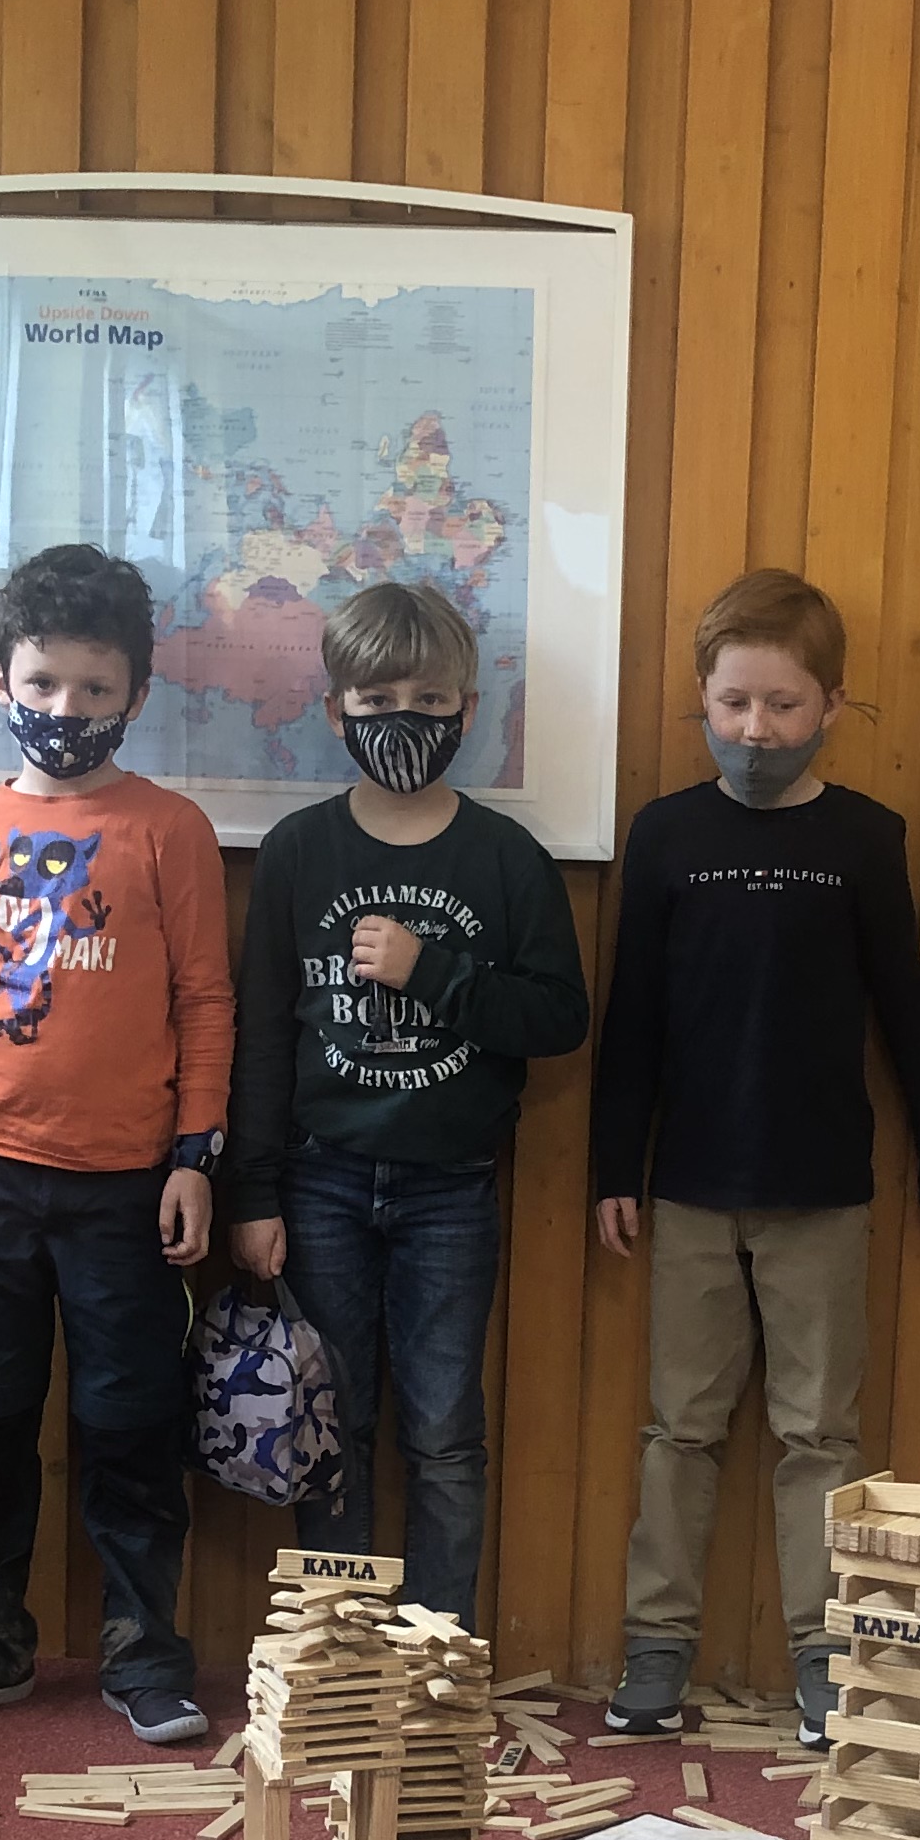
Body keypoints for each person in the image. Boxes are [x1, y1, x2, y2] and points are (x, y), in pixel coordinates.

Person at [587, 568, 920, 1748]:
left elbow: (906, 1007)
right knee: (680, 1429)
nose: (756, 729)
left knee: (820, 1437)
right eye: (735, 703)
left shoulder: (865, 839)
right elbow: (632, 1018)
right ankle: (658, 1647)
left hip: (822, 1190)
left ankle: (824, 1653)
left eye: (784, 705)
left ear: (832, 705)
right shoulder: (667, 834)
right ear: (703, 701)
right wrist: (613, 1168)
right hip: (692, 1187)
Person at [0, 542, 231, 1745]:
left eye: (93, 687)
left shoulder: (169, 830)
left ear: (135, 693)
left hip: (127, 1185)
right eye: (42, 683)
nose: (65, 708)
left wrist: (195, 1156)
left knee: (131, 1425)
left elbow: (206, 1002)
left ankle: (145, 1654)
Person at [223, 580, 589, 1623]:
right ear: (335, 711)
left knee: (444, 1433)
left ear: (467, 711)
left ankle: (437, 1656)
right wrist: (253, 1192)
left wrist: (432, 973)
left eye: (430, 701)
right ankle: (339, 1657)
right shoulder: (299, 851)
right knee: (330, 1424)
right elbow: (263, 1032)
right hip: (319, 1183)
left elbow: (558, 1016)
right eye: (378, 700)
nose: (404, 720)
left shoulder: (506, 858)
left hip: (451, 1190)